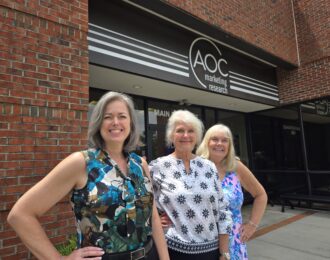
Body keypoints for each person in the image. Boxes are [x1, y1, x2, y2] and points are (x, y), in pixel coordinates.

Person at [7, 91, 169, 260]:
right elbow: (20, 215)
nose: (115, 122)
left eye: (122, 116)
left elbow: (153, 217)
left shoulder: (140, 164)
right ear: (99, 123)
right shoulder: (81, 163)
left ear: (131, 123)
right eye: (108, 117)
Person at [149, 110, 233, 260]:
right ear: (171, 135)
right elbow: (144, 205)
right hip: (172, 250)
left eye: (191, 131)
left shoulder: (209, 167)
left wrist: (224, 252)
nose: (186, 135)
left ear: (197, 136)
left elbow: (223, 209)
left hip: (211, 251)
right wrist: (153, 221)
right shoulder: (157, 166)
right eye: (180, 130)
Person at [196, 124, 268, 260]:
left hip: (234, 242)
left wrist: (252, 225)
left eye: (224, 140)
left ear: (229, 145)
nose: (219, 143)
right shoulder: (196, 167)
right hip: (202, 241)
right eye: (214, 139)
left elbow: (261, 195)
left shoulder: (236, 167)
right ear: (206, 143)